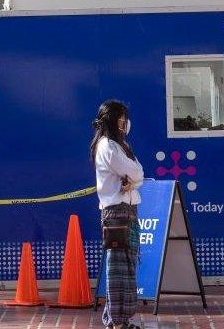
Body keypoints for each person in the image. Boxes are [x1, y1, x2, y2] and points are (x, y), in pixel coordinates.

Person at [91, 100, 144, 329]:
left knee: (128, 266)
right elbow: (134, 170)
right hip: (117, 214)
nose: (125, 122)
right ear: (113, 120)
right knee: (119, 269)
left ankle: (118, 319)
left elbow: (138, 174)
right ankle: (118, 321)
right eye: (122, 117)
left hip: (128, 212)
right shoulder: (108, 146)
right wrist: (134, 178)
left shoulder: (120, 145)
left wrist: (134, 180)